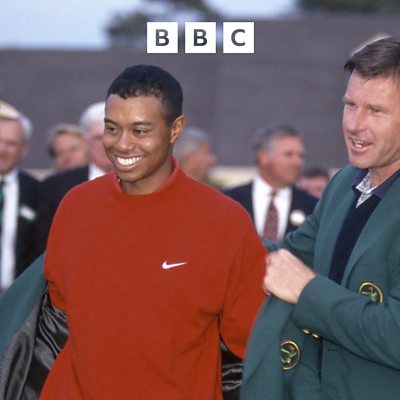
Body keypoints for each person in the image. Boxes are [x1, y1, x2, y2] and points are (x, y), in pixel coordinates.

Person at [0, 65, 266, 399]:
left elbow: (252, 347)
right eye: (112, 128)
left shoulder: (226, 221)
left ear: (175, 129)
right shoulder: (75, 206)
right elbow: (55, 323)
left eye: (140, 131)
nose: (122, 144)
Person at [241, 36, 400, 400]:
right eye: (350, 105)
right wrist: (202, 227)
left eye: (376, 111)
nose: (355, 124)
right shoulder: (343, 183)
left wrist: (307, 290)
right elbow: (283, 258)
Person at [34, 101, 114, 253]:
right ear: (85, 141)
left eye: (112, 133)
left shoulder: (145, 182)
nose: (105, 143)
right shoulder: (55, 187)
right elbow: (43, 247)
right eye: (98, 138)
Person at [224, 125, 318, 241]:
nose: (297, 162)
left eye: (301, 156)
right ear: (263, 156)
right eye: (289, 154)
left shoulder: (314, 208)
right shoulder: (228, 201)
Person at [0, 100, 41, 293]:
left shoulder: (37, 191)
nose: (2, 150)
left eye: (11, 143)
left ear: (23, 149)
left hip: (15, 298)